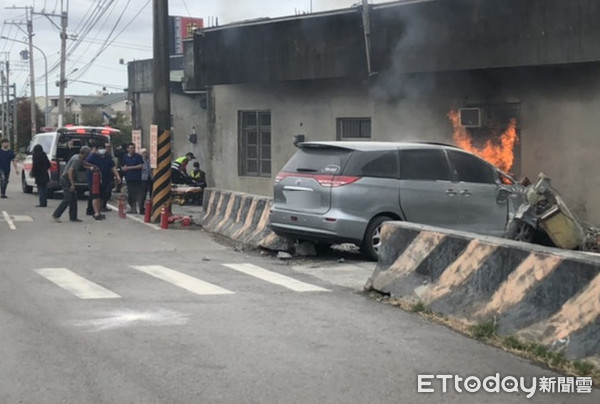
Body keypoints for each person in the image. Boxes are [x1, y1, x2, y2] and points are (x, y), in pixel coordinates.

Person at [52, 146, 91, 222]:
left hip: (67, 179)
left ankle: (73, 217)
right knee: (67, 198)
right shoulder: (76, 160)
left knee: (73, 198)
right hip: (66, 179)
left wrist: (91, 166)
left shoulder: (77, 156)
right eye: (88, 154)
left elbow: (83, 163)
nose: (88, 156)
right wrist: (72, 184)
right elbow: (70, 172)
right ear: (85, 154)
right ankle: (56, 215)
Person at [86, 144, 121, 220]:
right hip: (94, 180)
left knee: (102, 196)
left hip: (105, 180)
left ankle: (98, 211)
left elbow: (112, 167)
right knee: (96, 195)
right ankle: (96, 213)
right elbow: (85, 164)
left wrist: (117, 176)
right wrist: (91, 167)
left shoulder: (107, 157)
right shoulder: (92, 156)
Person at [121, 142, 144, 214]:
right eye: (130, 148)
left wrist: (130, 168)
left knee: (139, 194)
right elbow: (122, 166)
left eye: (133, 148)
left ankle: (141, 208)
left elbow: (141, 166)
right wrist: (123, 169)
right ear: (127, 149)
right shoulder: (125, 157)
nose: (132, 149)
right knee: (131, 194)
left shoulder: (138, 156)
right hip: (129, 178)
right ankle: (133, 208)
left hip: (137, 178)